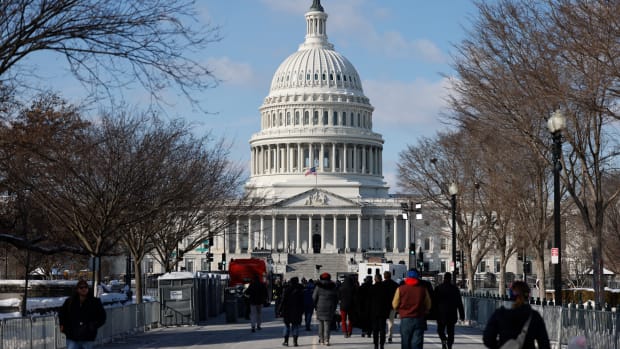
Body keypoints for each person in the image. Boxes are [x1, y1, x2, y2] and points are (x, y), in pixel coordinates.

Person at [483, 281, 550, 349]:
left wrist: (501, 345)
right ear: (528, 295)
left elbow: (488, 339)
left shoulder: (500, 314)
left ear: (511, 295)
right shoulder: (534, 316)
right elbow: (544, 344)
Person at [58, 279, 107, 349]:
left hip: (88, 337)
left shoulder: (95, 302)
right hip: (72, 337)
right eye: (81, 287)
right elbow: (62, 314)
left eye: (85, 287)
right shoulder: (69, 302)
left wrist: (93, 326)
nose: (84, 289)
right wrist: (63, 326)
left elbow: (102, 317)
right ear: (77, 289)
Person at [392, 270, 431, 349]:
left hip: (405, 318)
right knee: (417, 342)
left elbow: (394, 304)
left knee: (405, 341)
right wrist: (425, 310)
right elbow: (429, 304)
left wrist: (399, 310)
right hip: (419, 318)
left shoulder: (400, 289)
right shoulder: (423, 289)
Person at [433, 272, 465, 349]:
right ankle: (449, 345)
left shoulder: (438, 288)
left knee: (440, 330)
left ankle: (443, 340)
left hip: (441, 314)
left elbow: (434, 302)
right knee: (451, 332)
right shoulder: (455, 289)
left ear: (444, 278)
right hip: (452, 313)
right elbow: (459, 303)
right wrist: (462, 315)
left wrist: (433, 313)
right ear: (450, 279)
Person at [313, 272, 338, 346]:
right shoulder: (333, 287)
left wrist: (315, 305)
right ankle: (327, 339)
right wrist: (334, 306)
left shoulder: (318, 287)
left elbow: (314, 297)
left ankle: (321, 340)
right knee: (327, 324)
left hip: (320, 307)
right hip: (330, 307)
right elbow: (336, 298)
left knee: (320, 324)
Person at [370, 273, 392, 349]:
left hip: (374, 311)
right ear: (381, 278)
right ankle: (382, 344)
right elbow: (388, 300)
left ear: (375, 279)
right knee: (382, 329)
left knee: (375, 329)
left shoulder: (372, 288)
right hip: (383, 311)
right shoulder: (385, 288)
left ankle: (376, 344)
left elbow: (369, 301)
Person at [280, 277, 304, 347]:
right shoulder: (300, 290)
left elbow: (283, 300)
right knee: (295, 326)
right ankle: (295, 342)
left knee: (287, 326)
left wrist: (279, 309)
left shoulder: (287, 289)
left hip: (287, 310)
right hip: (297, 311)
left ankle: (286, 341)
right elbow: (302, 302)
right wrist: (302, 311)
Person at [383, 271, 399, 344]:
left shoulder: (382, 284)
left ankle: (382, 336)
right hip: (392, 306)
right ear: (390, 276)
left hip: (383, 306)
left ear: (384, 276)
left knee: (382, 322)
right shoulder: (395, 285)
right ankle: (390, 336)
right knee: (391, 322)